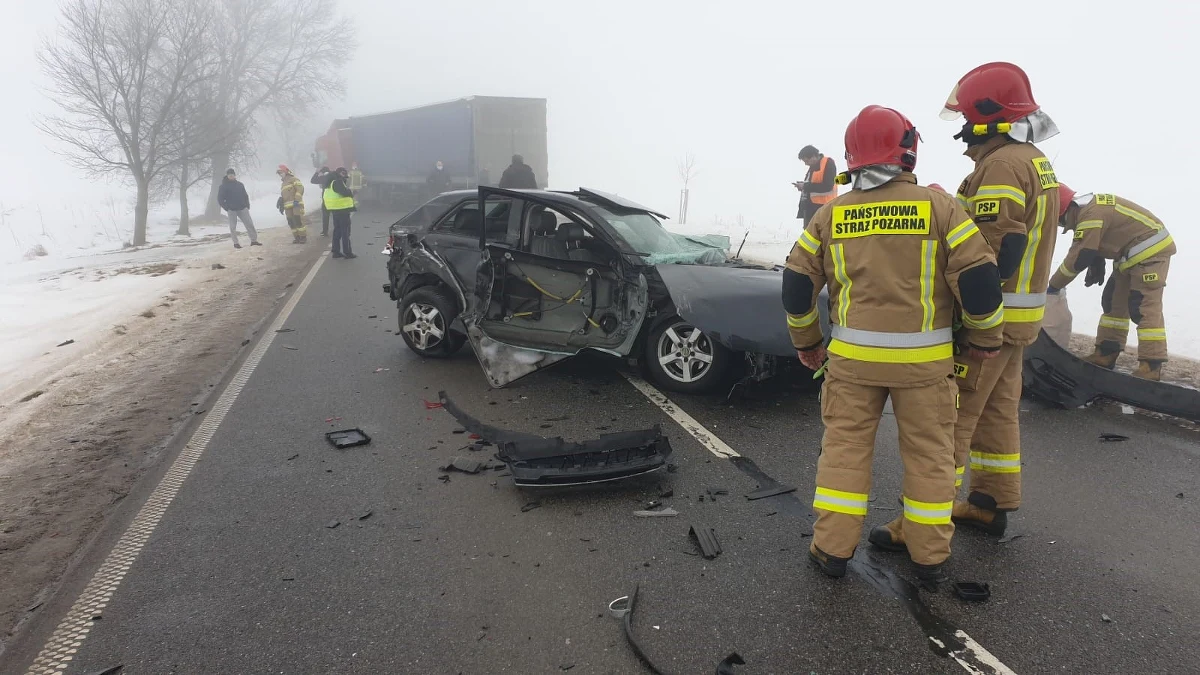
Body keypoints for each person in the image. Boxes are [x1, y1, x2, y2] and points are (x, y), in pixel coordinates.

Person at [785, 105, 1005, 584]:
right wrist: (985, 340)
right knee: (930, 456)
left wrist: (807, 341)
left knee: (843, 452)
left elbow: (797, 284)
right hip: (925, 368)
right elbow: (981, 281)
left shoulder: (831, 215)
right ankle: (929, 557)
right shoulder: (940, 207)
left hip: (851, 366)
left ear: (852, 157)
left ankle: (831, 550)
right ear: (908, 152)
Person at [935, 61, 1061, 536]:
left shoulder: (1003, 164)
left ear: (989, 117)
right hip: (1019, 320)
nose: (964, 135)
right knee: (996, 412)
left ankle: (922, 522)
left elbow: (991, 252)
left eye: (968, 121)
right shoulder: (1031, 160)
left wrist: (970, 318)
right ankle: (990, 501)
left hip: (992, 320)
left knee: (953, 416)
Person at [1049, 184, 1176, 380]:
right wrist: (1097, 259)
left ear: (1067, 209)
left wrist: (1053, 286)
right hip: (1129, 255)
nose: (1063, 226)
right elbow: (1102, 237)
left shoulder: (1090, 215)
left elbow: (1078, 256)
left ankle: (1151, 365)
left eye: (1060, 221)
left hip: (1151, 253)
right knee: (1113, 301)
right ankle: (1106, 353)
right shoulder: (1089, 210)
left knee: (1142, 305)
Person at [217, 168, 259, 249]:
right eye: (229, 175)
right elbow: (220, 199)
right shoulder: (223, 186)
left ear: (234, 175)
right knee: (233, 227)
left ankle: (254, 241)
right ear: (227, 176)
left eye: (232, 175)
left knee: (249, 224)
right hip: (231, 210)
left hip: (243, 208)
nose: (231, 176)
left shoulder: (240, 184)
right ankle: (236, 243)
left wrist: (247, 205)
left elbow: (245, 195)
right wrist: (227, 207)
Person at [794, 145, 838, 223]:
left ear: (814, 156)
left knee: (821, 234)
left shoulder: (828, 163)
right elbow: (812, 184)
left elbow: (827, 186)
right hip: (810, 209)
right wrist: (803, 186)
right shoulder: (813, 166)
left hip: (823, 208)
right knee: (809, 234)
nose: (806, 164)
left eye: (806, 161)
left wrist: (805, 186)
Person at [324, 167, 357, 259]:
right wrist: (351, 192)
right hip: (342, 210)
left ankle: (336, 251)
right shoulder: (337, 182)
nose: (345, 178)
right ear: (340, 173)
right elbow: (345, 193)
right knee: (345, 232)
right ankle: (348, 252)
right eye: (344, 175)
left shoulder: (330, 183)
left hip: (335, 210)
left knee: (337, 231)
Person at [276, 164, 307, 244]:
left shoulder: (294, 179)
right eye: (279, 173)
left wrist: (297, 200)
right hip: (288, 206)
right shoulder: (283, 183)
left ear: (286, 171)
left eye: (281, 172)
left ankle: (303, 237)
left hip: (296, 204)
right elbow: (286, 195)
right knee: (291, 222)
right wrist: (281, 202)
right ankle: (297, 237)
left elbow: (300, 189)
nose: (280, 174)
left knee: (298, 220)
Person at [311, 166, 334, 236]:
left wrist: (316, 173)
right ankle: (339, 230)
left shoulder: (323, 178)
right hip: (335, 200)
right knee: (336, 216)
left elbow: (313, 180)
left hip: (326, 200)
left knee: (325, 217)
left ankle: (325, 231)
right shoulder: (333, 177)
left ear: (322, 172)